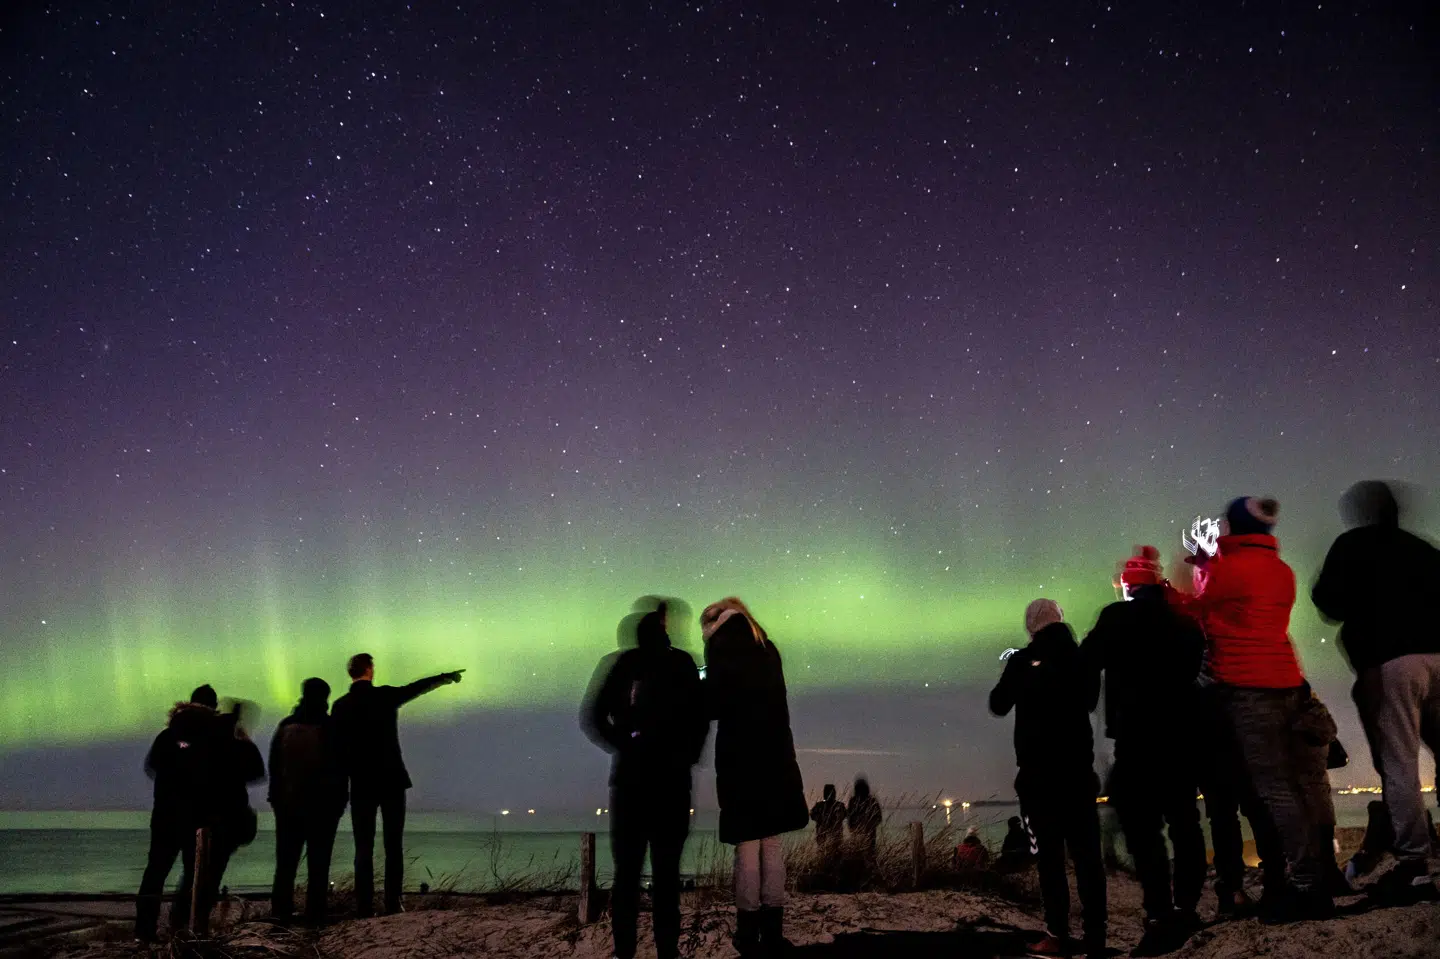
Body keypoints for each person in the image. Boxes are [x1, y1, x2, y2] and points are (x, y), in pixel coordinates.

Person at [1171, 497, 1332, 920]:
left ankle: (1306, 886)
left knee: (1275, 790)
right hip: (1287, 681)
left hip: (1249, 688)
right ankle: (1313, 877)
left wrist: (1174, 583)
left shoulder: (1230, 569)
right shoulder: (1281, 570)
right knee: (1293, 786)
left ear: (1235, 527)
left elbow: (1194, 608)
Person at [1312, 479, 1440, 903]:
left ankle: (1414, 867)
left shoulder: (1352, 546)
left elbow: (1328, 602)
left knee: (1399, 763)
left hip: (1392, 664)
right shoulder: (1422, 550)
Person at [1082, 547, 1206, 953]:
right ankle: (1187, 905)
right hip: (1182, 736)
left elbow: (1087, 660)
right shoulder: (1185, 624)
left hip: (1136, 737)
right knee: (1184, 822)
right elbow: (1194, 672)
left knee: (1142, 828)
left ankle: (1158, 909)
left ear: (1127, 585)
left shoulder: (1116, 617)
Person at [581, 601, 709, 959]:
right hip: (669, 784)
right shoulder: (680, 663)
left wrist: (624, 744)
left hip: (632, 785)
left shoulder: (623, 664)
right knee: (665, 877)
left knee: (628, 876)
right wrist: (686, 754)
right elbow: (700, 717)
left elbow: (592, 716)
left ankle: (627, 952)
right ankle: (666, 951)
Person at [990, 599, 1106, 956]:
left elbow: (998, 703)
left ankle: (1056, 934)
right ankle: (1096, 935)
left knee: (1049, 860)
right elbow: (1089, 701)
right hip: (1078, 773)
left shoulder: (1022, 661)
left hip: (1038, 777)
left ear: (1031, 625)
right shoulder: (1081, 658)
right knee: (1088, 858)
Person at [702, 597, 808, 957]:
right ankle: (773, 932)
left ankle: (747, 932)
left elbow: (714, 704)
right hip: (775, 758)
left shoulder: (721, 647)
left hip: (741, 760)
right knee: (772, 844)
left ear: (713, 624)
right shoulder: (766, 647)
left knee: (747, 846)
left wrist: (701, 684)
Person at [331, 654, 464, 917]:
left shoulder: (341, 706)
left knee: (363, 847)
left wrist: (340, 783)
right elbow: (416, 688)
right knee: (393, 845)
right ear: (369, 669)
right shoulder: (384, 696)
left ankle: (364, 906)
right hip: (391, 779)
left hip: (361, 783)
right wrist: (444, 678)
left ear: (351, 673)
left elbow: (336, 749)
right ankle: (393, 903)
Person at [135, 685, 264, 940]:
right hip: (200, 819)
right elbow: (254, 770)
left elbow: (152, 766)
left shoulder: (168, 735)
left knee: (155, 873)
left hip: (165, 816)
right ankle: (186, 927)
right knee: (196, 875)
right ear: (214, 708)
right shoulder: (221, 737)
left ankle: (144, 931)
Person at [268, 677, 347, 925]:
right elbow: (340, 767)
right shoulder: (331, 727)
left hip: (288, 806)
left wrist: (276, 799)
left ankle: (281, 913)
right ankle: (315, 914)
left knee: (285, 863)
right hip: (323, 808)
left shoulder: (286, 726)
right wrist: (340, 801)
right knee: (319, 863)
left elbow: (274, 767)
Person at [846, 777, 882, 857]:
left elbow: (878, 818)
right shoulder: (855, 801)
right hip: (862, 834)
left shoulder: (855, 801)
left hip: (866, 835)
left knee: (865, 854)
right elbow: (850, 818)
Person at [809, 784, 847, 851]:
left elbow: (812, 815)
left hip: (824, 836)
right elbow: (844, 815)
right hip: (835, 835)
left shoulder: (819, 805)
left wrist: (821, 820)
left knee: (823, 851)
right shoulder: (840, 805)